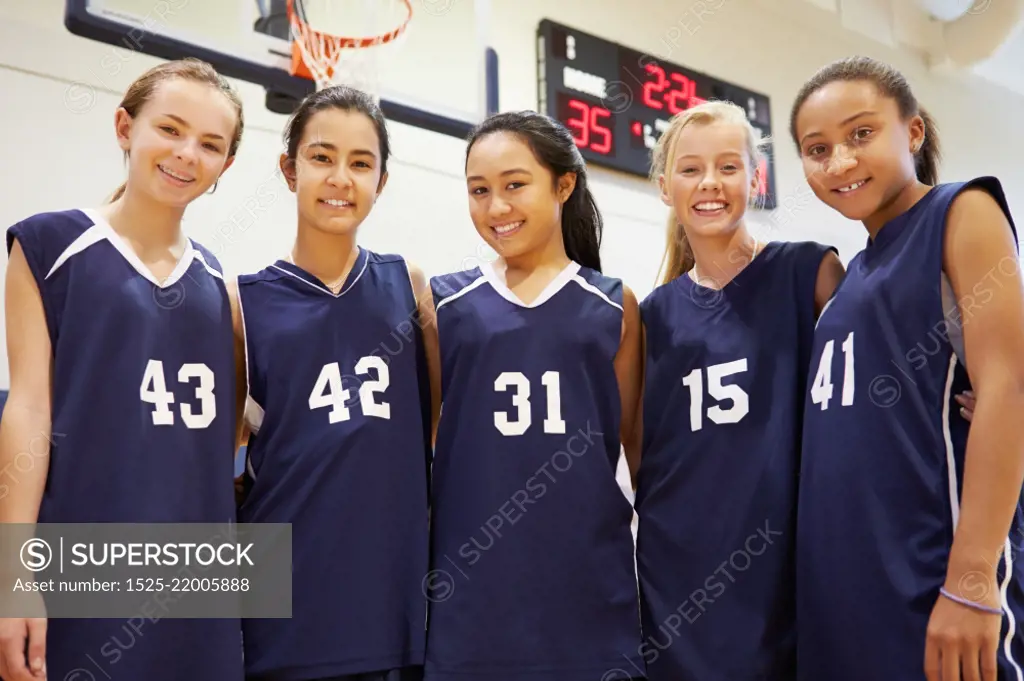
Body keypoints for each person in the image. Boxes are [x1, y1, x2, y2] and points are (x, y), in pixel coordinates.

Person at [0, 58, 245, 681]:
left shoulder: (223, 283)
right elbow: (28, 407)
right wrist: (12, 573)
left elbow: (237, 426)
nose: (187, 153)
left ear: (226, 165)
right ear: (123, 127)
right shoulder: (51, 246)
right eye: (170, 128)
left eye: (210, 144)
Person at [791, 55, 1024, 681]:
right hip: (842, 601)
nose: (839, 161)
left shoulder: (961, 211)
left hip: (936, 587)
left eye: (861, 134)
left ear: (912, 133)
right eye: (817, 149)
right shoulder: (848, 278)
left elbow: (1010, 388)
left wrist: (973, 578)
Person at [422, 111, 645, 681]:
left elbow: (632, 452)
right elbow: (424, 442)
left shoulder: (615, 305)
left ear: (563, 185)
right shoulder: (444, 304)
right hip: (472, 596)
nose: (497, 207)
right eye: (479, 190)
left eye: (515, 185)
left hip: (588, 592)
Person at [632, 100, 843, 681]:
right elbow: (635, 451)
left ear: (755, 177)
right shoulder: (650, 316)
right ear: (663, 186)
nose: (710, 184)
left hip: (789, 567)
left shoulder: (810, 272)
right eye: (690, 168)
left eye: (729, 167)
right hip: (678, 575)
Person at [233, 85, 437, 681]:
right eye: (322, 157)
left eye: (360, 163)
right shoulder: (243, 302)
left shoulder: (411, 287)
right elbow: (226, 457)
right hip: (283, 605)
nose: (340, 178)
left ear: (382, 180)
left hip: (391, 604)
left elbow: (435, 428)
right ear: (288, 168)